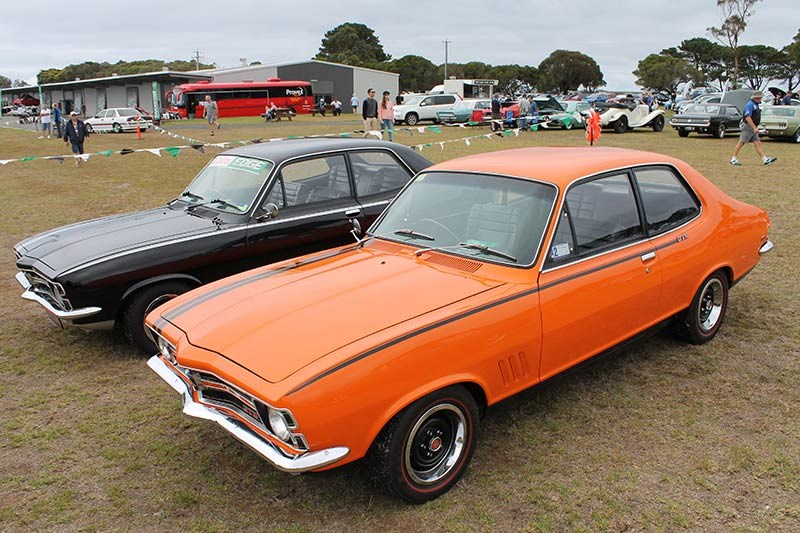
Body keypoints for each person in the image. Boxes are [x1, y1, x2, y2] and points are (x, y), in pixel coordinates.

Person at [730, 91, 776, 167]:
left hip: (753, 127)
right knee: (741, 142)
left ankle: (765, 159)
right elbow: (747, 117)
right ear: (756, 98)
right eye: (760, 97)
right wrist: (754, 127)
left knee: (757, 143)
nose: (761, 98)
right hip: (748, 127)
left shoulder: (755, 105)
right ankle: (733, 159)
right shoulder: (750, 105)